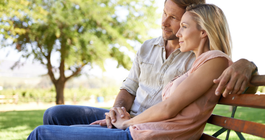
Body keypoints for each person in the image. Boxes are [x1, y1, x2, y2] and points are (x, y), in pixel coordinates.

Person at [27, 0, 257, 139]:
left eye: (177, 20)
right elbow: (129, 87)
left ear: (199, 24)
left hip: (147, 128)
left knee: (40, 134)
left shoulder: (201, 58)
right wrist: (117, 112)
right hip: (137, 122)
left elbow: (230, 74)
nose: (165, 23)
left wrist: (247, 64)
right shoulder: (149, 47)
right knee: (54, 114)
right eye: (163, 13)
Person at [109, 3, 232, 139]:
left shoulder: (215, 60)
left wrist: (126, 123)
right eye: (164, 13)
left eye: (184, 27)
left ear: (203, 31)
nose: (179, 33)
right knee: (82, 117)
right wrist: (120, 117)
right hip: (142, 130)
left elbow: (168, 108)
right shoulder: (203, 62)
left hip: (146, 134)